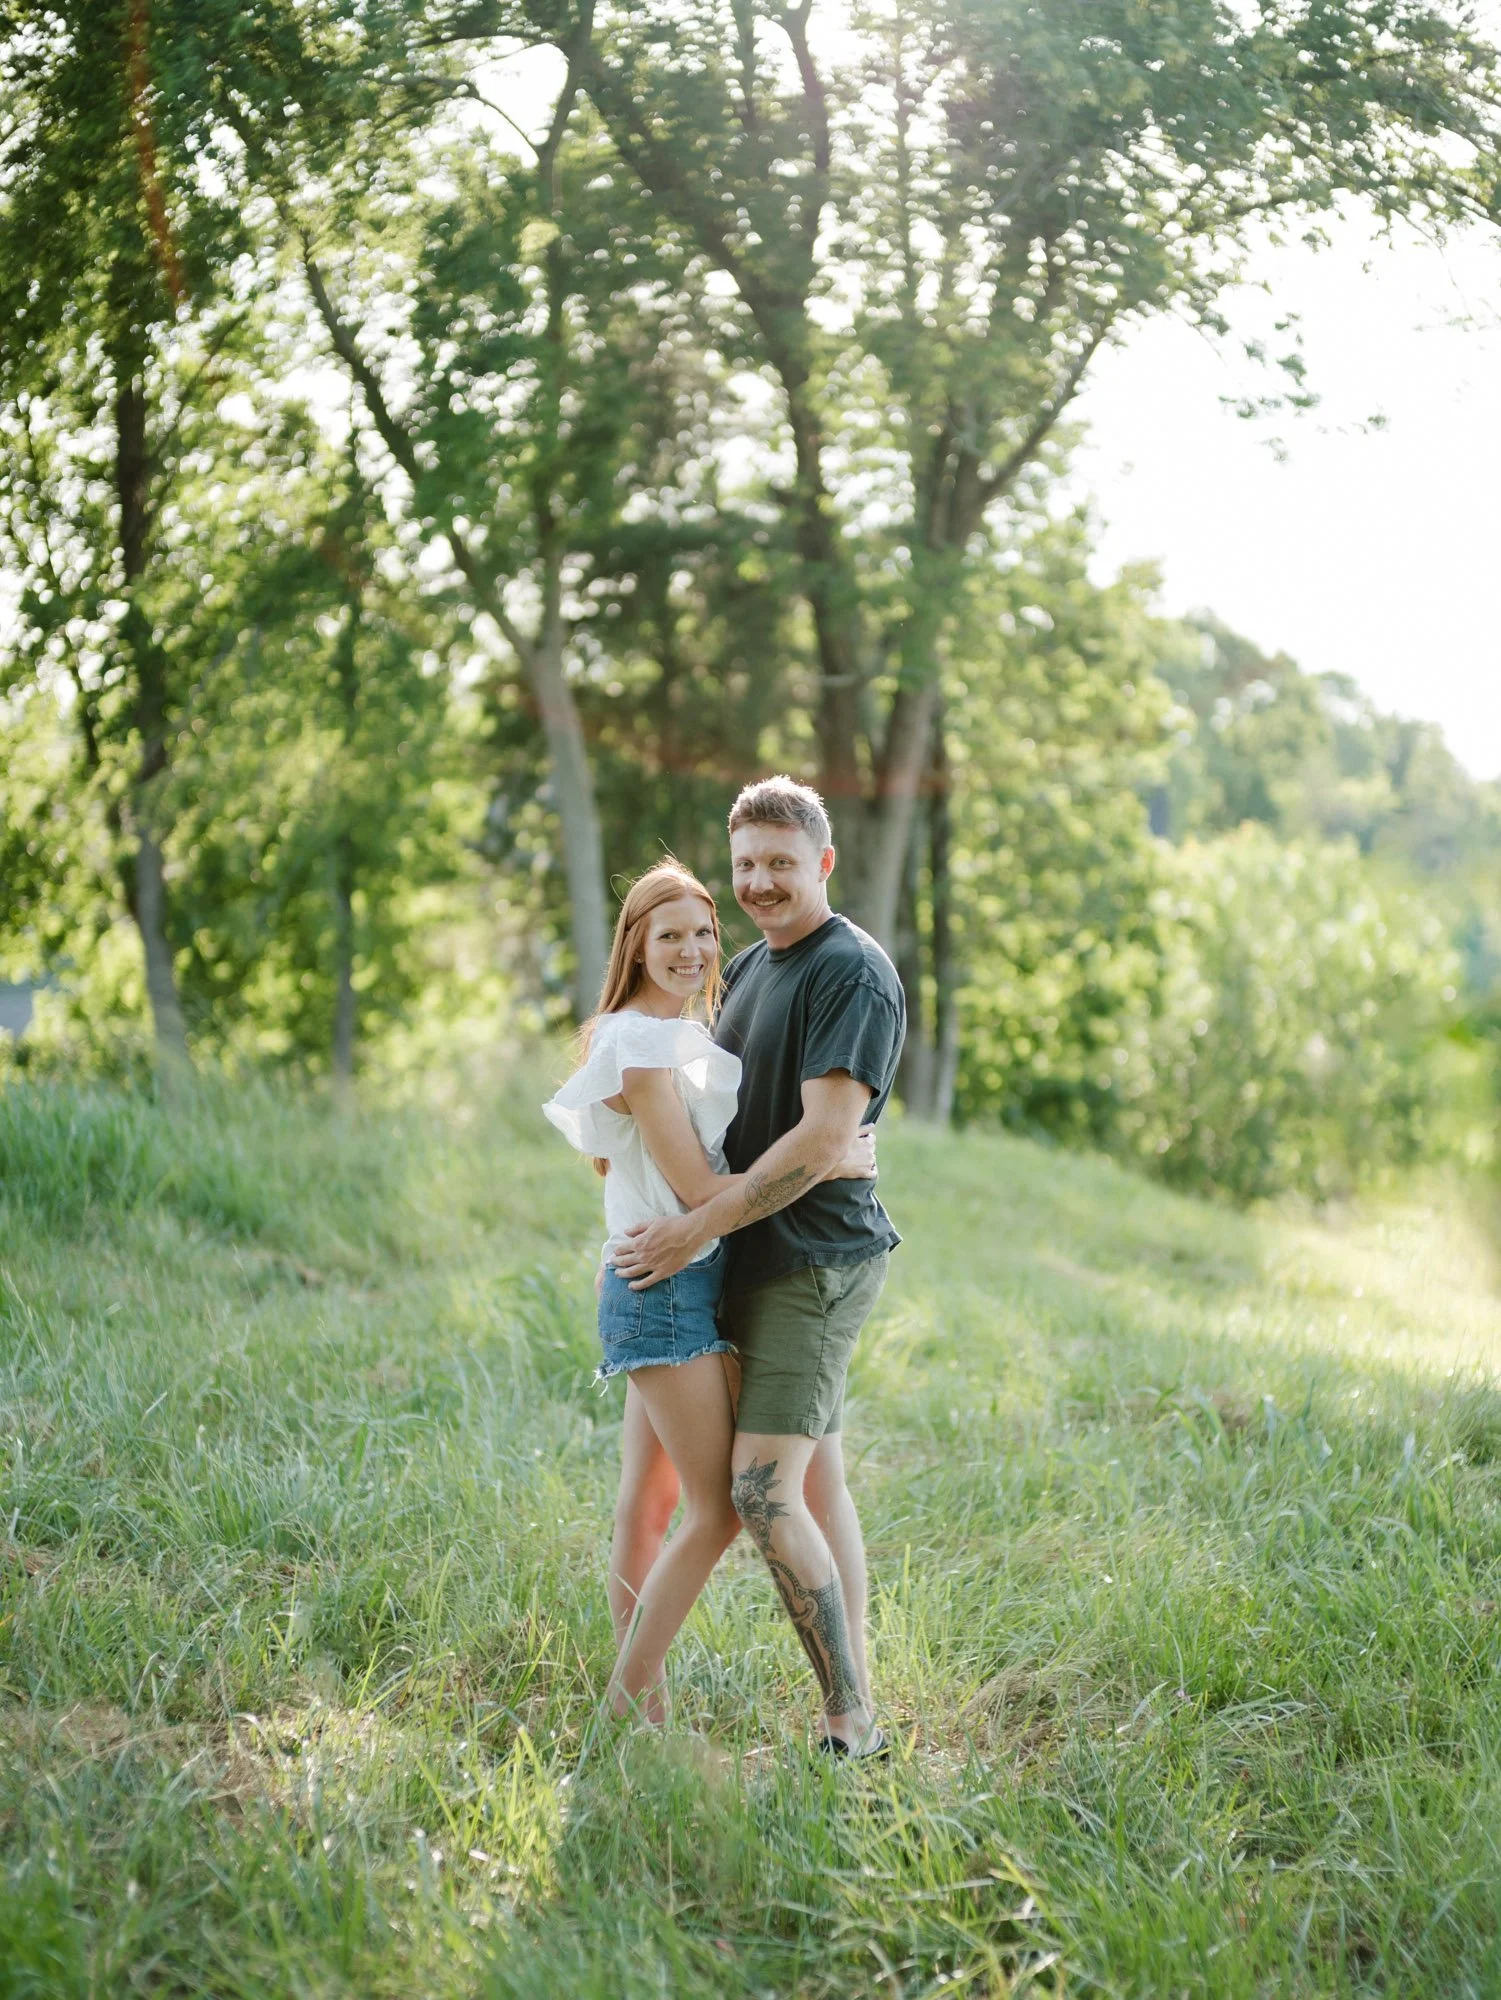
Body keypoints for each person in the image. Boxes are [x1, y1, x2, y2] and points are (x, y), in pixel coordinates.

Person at [612, 779, 906, 1760]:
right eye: (745, 864)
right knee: (808, 1479)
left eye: (779, 862)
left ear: (822, 862)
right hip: (733, 1254)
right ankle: (637, 1696)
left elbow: (823, 1135)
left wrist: (705, 1219)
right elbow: (706, 1118)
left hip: (808, 1263)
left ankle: (848, 1722)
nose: (759, 882)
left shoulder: (850, 973)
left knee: (763, 1495)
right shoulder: (743, 966)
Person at [542, 860, 876, 1721]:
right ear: (635, 945)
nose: (691, 950)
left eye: (702, 932)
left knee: (648, 1499)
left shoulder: (675, 1033)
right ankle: (626, 1708)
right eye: (669, 936)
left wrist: (817, 1147)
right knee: (718, 1513)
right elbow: (697, 1190)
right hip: (663, 1289)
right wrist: (830, 1154)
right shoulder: (641, 1046)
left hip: (680, 1278)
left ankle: (638, 1704)